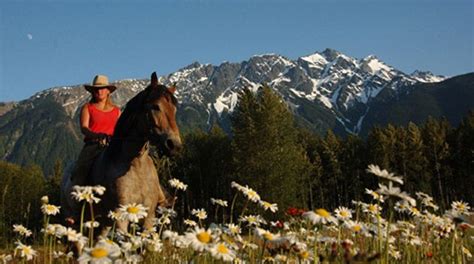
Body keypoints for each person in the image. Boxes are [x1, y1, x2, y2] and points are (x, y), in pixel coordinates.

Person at [70, 74, 121, 186]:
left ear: (108, 91)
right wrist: (97, 136)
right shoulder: (87, 108)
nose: (99, 91)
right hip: (93, 145)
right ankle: (78, 195)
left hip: (113, 145)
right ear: (93, 91)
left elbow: (120, 130)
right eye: (96, 89)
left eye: (102, 88)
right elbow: (84, 128)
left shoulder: (117, 111)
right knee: (81, 169)